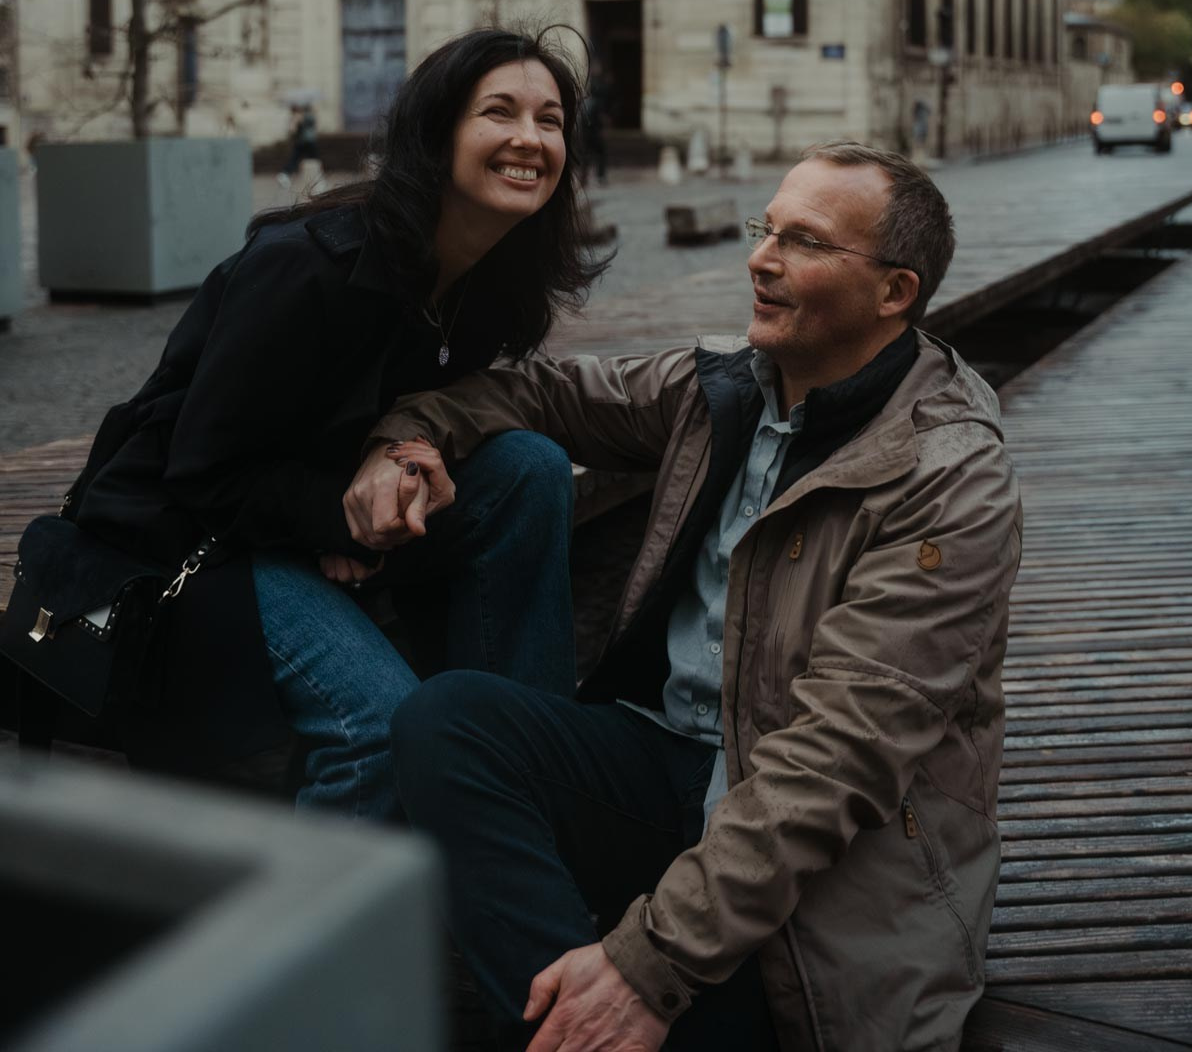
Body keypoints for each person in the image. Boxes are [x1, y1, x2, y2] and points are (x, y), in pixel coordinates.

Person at [367, 143, 1021, 1050]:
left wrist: (650, 961)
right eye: (766, 230)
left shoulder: (950, 476)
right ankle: (581, 1018)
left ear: (895, 293)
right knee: (449, 722)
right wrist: (407, 440)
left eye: (805, 242)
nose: (761, 258)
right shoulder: (722, 389)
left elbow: (837, 761)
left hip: (832, 846)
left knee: (742, 1011)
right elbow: (539, 392)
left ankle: (602, 1004)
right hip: (670, 763)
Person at [60, 27, 605, 815]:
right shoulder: (306, 264)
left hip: (309, 517)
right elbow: (202, 470)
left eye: (550, 120)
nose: (530, 138)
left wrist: (406, 467)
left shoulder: (495, 283)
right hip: (196, 542)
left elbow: (418, 412)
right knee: (382, 730)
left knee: (530, 468)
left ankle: (520, 778)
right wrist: (341, 526)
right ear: (438, 128)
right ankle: (324, 925)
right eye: (500, 112)